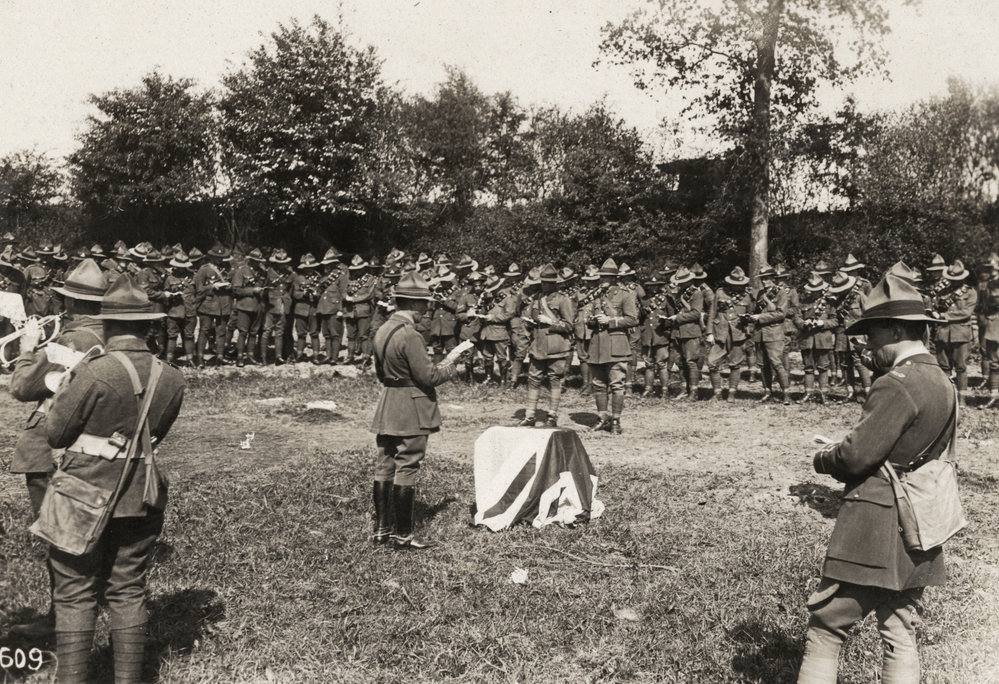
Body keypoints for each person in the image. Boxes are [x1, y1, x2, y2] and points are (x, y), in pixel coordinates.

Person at [798, 272, 950, 684]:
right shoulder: (942, 381)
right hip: (920, 524)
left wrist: (824, 457)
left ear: (896, 330)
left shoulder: (896, 384)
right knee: (899, 627)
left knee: (827, 625)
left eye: (872, 334)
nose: (867, 345)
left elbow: (856, 458)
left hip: (876, 522)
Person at [43, 274, 186, 683]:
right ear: (148, 327)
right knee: (128, 588)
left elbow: (56, 434)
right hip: (142, 491)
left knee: (74, 589)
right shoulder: (171, 376)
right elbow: (156, 434)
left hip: (82, 490)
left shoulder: (95, 371)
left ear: (107, 323)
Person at [7, 259, 107, 639]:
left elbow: (22, 387)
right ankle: (91, 604)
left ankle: (60, 618)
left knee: (58, 536)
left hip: (51, 446)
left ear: (74, 303)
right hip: (96, 447)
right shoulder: (113, 337)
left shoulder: (69, 341)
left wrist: (28, 347)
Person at [370, 271, 466, 550]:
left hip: (388, 403)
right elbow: (429, 377)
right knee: (408, 466)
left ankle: (381, 530)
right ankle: (403, 535)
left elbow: (382, 373)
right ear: (413, 304)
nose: (426, 310)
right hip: (410, 408)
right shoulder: (410, 335)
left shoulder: (382, 330)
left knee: (384, 464)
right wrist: (453, 367)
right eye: (424, 304)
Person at [518, 264, 575, 427]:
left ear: (555, 283)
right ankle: (530, 415)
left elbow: (569, 326)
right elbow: (531, 318)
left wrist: (551, 322)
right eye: (543, 282)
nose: (545, 285)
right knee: (533, 379)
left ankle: (552, 415)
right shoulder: (536, 298)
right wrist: (530, 322)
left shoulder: (563, 300)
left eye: (548, 283)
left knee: (554, 380)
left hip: (556, 346)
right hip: (538, 346)